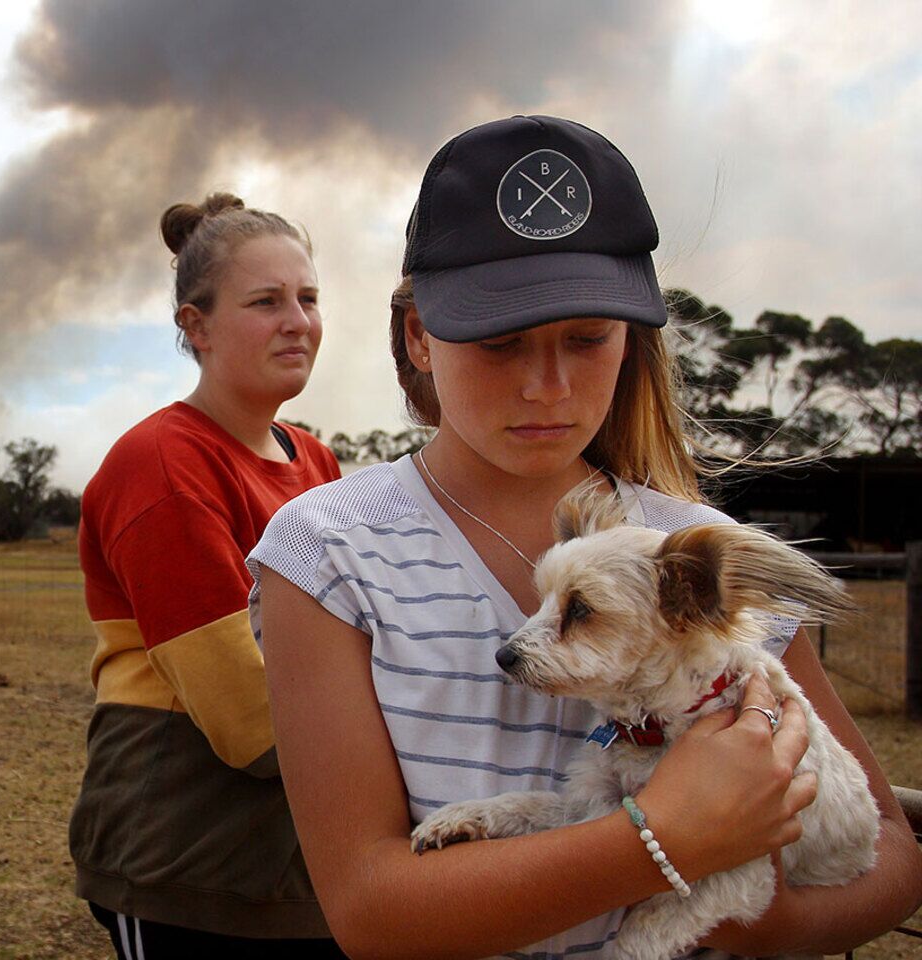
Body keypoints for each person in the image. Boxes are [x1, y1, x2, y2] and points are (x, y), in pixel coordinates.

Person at [247, 116, 922, 959]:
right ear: (418, 335)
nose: (547, 385)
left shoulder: (704, 560)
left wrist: (757, 906)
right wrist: (668, 838)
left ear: (632, 338)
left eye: (587, 338)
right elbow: (371, 912)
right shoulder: (326, 551)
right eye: (499, 341)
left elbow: (893, 859)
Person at [69, 193, 347, 958]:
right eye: (266, 301)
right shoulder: (163, 463)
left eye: (309, 298)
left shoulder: (315, 460)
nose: (298, 321)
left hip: (296, 861)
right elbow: (249, 722)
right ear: (195, 326)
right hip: (186, 855)